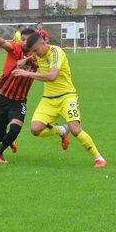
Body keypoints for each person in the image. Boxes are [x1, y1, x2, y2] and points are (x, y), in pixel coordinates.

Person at [12, 33, 107, 168]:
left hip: (67, 96)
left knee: (75, 129)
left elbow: (52, 76)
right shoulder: (38, 53)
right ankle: (62, 130)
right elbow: (35, 56)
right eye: (32, 51)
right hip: (48, 99)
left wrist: (27, 73)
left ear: (44, 44)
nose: (34, 54)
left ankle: (99, 158)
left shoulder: (56, 52)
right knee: (35, 129)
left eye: (35, 50)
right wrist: (26, 61)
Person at [0, 27, 37, 163]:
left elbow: (48, 52)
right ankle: (8, 141)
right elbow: (5, 44)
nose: (23, 42)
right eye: (22, 39)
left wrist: (28, 60)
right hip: (2, 96)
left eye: (26, 40)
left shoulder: (39, 56)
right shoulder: (16, 48)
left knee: (15, 128)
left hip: (19, 100)